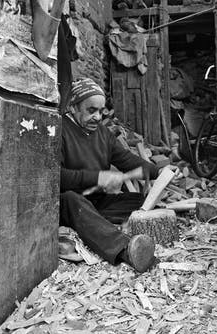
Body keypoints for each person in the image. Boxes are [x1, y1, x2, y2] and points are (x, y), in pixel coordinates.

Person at [60, 78, 159, 273]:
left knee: (141, 200)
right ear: (73, 107)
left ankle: (96, 226)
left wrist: (149, 169)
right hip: (68, 204)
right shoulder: (60, 130)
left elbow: (125, 159)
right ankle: (126, 250)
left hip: (96, 203)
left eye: (101, 111)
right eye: (91, 110)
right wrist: (98, 178)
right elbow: (56, 176)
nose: (97, 117)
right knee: (72, 200)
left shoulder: (103, 133)